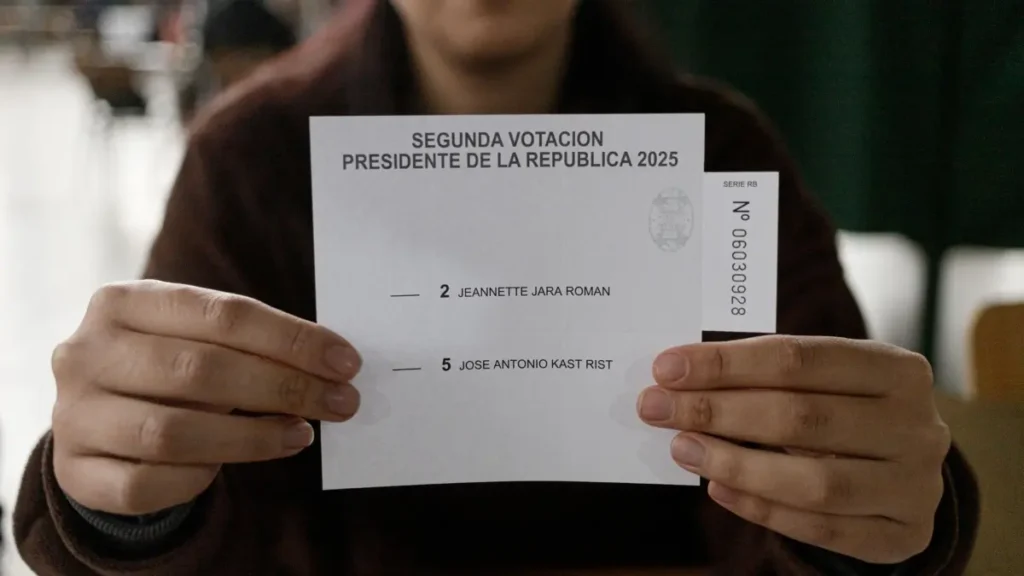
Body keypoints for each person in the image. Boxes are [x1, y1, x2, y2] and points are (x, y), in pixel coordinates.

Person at [14, 0, 978, 574]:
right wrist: (123, 503)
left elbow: (825, 479)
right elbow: (206, 517)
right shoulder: (248, 163)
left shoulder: (723, 157)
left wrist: (871, 514)